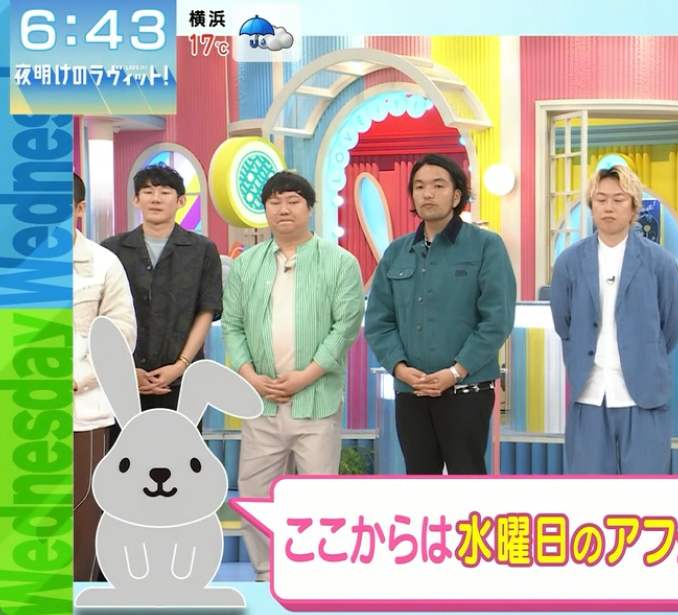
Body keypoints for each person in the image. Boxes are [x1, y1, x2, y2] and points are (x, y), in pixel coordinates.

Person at [223, 171, 364, 581]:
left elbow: (345, 327)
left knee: (317, 495)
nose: (283, 209)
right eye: (275, 202)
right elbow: (232, 325)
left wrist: (306, 376)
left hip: (315, 399)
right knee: (255, 491)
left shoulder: (339, 262)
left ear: (310, 207)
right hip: (261, 399)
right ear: (265, 209)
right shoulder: (247, 264)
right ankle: (267, 572)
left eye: (293, 201)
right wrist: (250, 375)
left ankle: (313, 573)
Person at [365, 154, 516, 475]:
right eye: (419, 187)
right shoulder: (397, 252)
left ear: (457, 195)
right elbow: (379, 321)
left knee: (467, 479)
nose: (428, 194)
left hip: (466, 391)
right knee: (420, 480)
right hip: (412, 391)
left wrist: (456, 371)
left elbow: (496, 320)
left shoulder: (485, 246)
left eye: (438, 185)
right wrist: (400, 369)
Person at [549, 165, 678, 474]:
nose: (608, 207)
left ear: (634, 207)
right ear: (591, 206)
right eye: (600, 200)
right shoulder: (569, 261)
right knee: (589, 489)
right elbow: (562, 321)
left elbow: (673, 322)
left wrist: (643, 352)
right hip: (589, 392)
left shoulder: (660, 261)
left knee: (645, 490)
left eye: (618, 199)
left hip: (643, 395)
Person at [101, 164, 222, 412]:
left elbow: (206, 311)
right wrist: (126, 368)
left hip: (184, 379)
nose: (156, 199)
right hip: (123, 378)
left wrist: (181, 365)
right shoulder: (112, 249)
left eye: (165, 192)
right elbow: (103, 316)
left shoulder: (203, 250)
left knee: (182, 437)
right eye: (148, 192)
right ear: (136, 200)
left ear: (180, 201)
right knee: (126, 438)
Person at [73, 173, 137, 581]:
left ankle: (80, 597)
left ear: (79, 210)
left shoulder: (103, 263)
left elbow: (121, 333)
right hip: (20, 407)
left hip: (84, 410)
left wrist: (78, 377)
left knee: (83, 512)